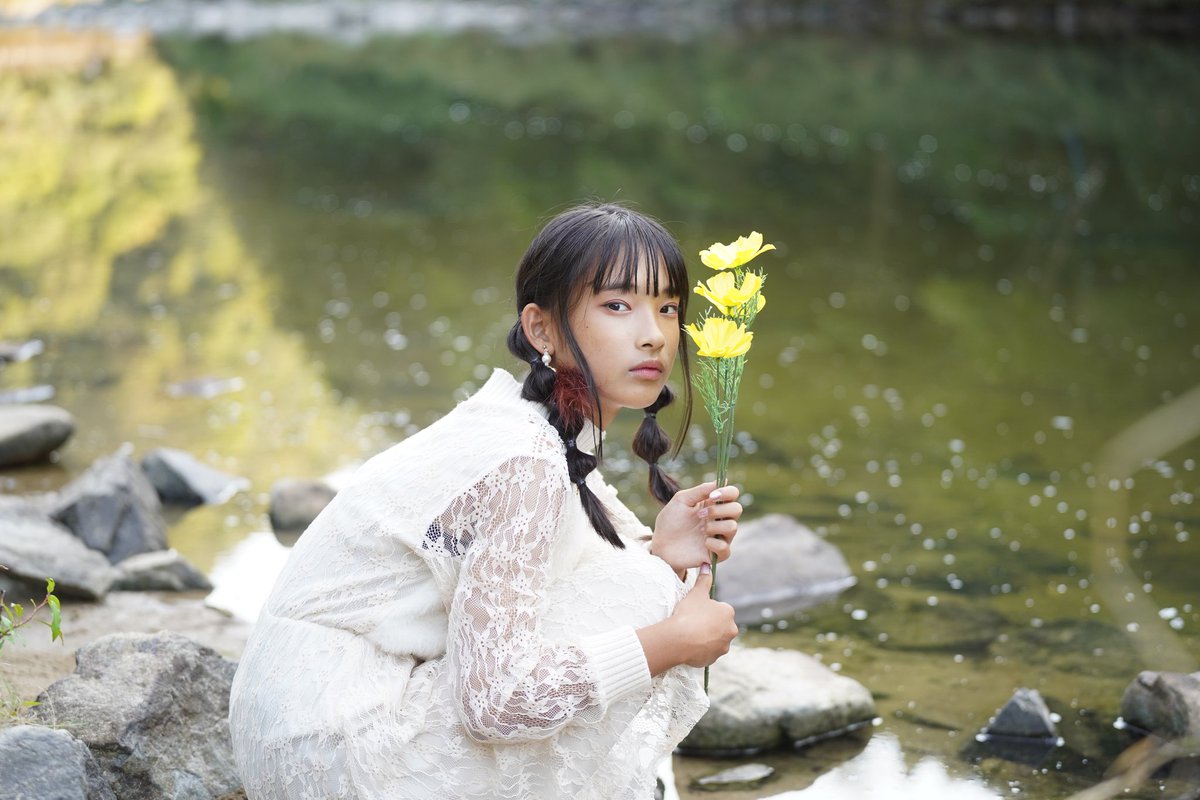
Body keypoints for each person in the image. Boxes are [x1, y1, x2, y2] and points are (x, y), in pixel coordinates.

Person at [229, 202, 742, 799]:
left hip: (301, 735)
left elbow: (558, 581)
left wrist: (665, 555)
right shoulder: (524, 458)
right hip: (339, 756)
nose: (653, 333)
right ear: (541, 329)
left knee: (645, 578)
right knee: (647, 595)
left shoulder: (530, 428)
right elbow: (496, 702)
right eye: (617, 305)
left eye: (668, 307)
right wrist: (673, 642)